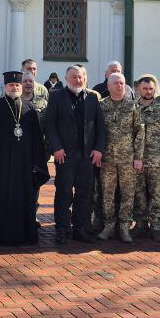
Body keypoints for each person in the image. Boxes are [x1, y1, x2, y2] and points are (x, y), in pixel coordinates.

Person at [43, 65, 106, 244]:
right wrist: (56, 147)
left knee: (85, 193)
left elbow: (101, 127)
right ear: (66, 77)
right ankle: (62, 228)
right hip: (65, 154)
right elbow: (50, 124)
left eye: (80, 77)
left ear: (85, 78)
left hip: (87, 156)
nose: (77, 80)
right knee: (63, 192)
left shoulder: (93, 98)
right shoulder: (56, 96)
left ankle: (80, 228)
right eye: (73, 77)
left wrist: (99, 148)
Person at [0, 72, 49, 245]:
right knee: (1, 197)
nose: (14, 88)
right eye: (11, 85)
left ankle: (25, 234)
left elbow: (37, 139)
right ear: (5, 87)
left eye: (17, 85)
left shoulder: (29, 109)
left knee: (24, 199)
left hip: (24, 165)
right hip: (2, 165)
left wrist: (37, 164)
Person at [98, 72, 144, 243]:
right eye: (116, 83)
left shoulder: (133, 107)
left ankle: (124, 226)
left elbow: (140, 133)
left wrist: (138, 157)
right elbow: (95, 131)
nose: (119, 86)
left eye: (122, 83)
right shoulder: (101, 106)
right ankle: (109, 225)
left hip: (128, 159)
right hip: (107, 160)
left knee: (128, 194)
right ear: (108, 86)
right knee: (107, 194)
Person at [133, 75, 160, 241]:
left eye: (151, 89)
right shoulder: (132, 108)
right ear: (139, 89)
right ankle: (140, 225)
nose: (148, 92)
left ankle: (156, 227)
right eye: (145, 88)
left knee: (157, 196)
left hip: (157, 161)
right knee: (139, 195)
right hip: (137, 161)